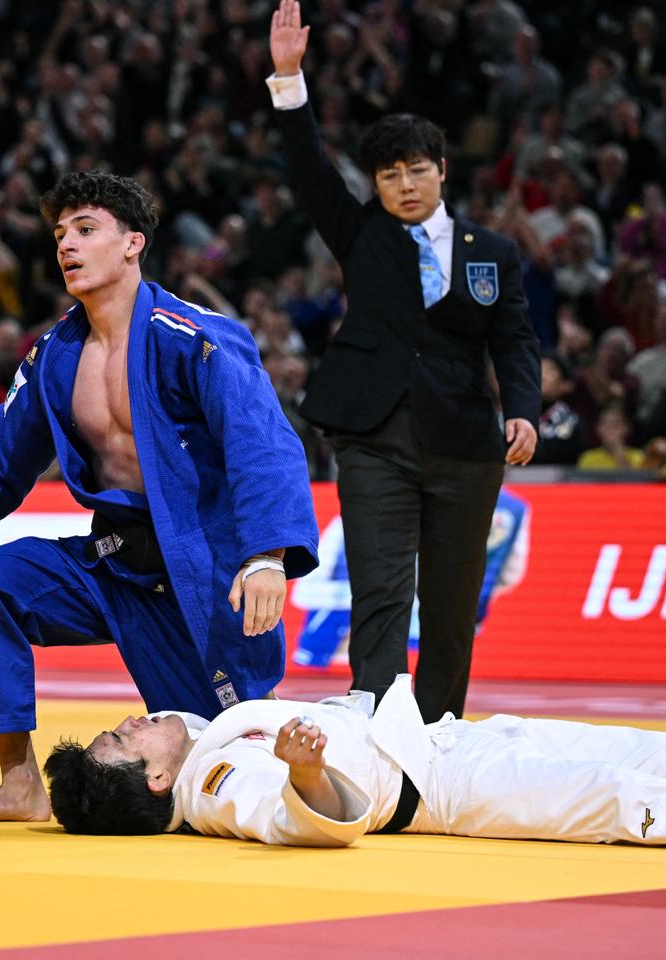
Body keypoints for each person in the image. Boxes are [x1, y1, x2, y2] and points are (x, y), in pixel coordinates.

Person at [0, 170, 319, 824]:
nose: (66, 244)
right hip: (112, 565)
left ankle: (325, 793)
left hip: (201, 575)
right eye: (60, 232)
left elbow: (263, 442)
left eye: (86, 230)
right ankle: (19, 784)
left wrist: (266, 556)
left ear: (133, 244)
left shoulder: (197, 335)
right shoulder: (56, 354)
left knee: (226, 748)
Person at [266, 1, 541, 729]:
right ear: (378, 186)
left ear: (442, 171)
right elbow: (309, 168)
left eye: (417, 170)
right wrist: (289, 81)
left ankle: (440, 734)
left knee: (452, 601)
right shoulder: (360, 234)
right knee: (381, 590)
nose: (405, 186)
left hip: (464, 442)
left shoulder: (492, 252)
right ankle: (380, 730)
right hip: (373, 437)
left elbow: (514, 338)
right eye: (389, 176)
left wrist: (522, 407)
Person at [44, 674, 666, 854]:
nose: (134, 719)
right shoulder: (214, 786)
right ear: (155, 782)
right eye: (127, 738)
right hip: (441, 789)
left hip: (446, 739)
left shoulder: (203, 740)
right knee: (622, 795)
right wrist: (301, 774)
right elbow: (299, 821)